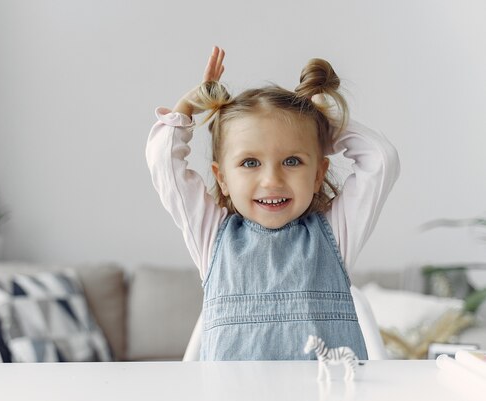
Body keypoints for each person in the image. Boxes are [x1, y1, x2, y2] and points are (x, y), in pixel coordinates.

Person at [146, 46, 400, 360]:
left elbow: (381, 160)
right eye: (250, 163)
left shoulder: (336, 233)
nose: (272, 181)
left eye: (292, 160)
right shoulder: (211, 236)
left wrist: (328, 126)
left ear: (318, 174)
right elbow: (163, 162)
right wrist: (185, 108)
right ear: (222, 178)